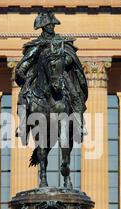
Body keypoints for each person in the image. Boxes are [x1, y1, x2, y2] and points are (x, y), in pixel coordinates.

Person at [14, 11, 88, 144]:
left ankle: (80, 125)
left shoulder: (61, 42)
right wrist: (22, 72)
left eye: (52, 24)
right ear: (42, 26)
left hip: (59, 74)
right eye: (48, 24)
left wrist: (63, 62)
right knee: (23, 96)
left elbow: (71, 56)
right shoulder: (37, 45)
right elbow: (26, 61)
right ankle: (23, 125)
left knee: (75, 95)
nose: (51, 27)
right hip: (38, 75)